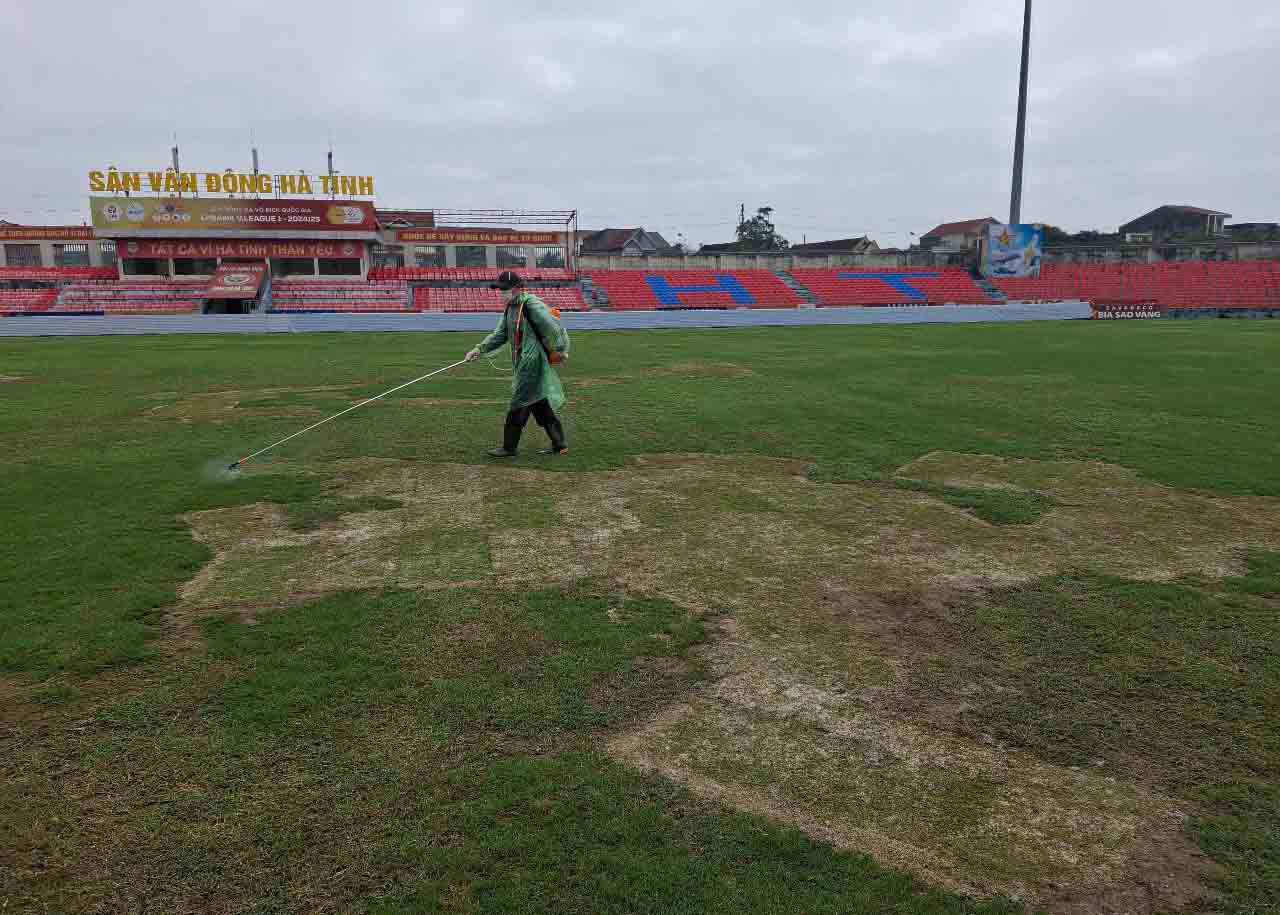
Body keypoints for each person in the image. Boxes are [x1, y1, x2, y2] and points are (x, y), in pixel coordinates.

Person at [465, 271, 570, 457]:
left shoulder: (531, 305)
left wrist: (560, 351)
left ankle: (509, 447)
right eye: (499, 289)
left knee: (519, 402)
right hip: (522, 363)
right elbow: (500, 334)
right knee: (538, 402)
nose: (501, 293)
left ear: (517, 288)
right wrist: (479, 350)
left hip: (533, 363)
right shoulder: (511, 308)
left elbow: (553, 328)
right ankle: (559, 444)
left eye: (504, 289)